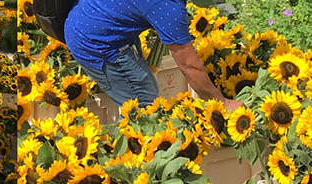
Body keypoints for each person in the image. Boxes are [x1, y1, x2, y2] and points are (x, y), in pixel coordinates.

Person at [62, 0, 243, 109]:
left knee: (142, 94)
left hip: (88, 19)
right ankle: (132, 167)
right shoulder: (167, 7)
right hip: (95, 44)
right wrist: (223, 103)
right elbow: (190, 67)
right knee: (142, 107)